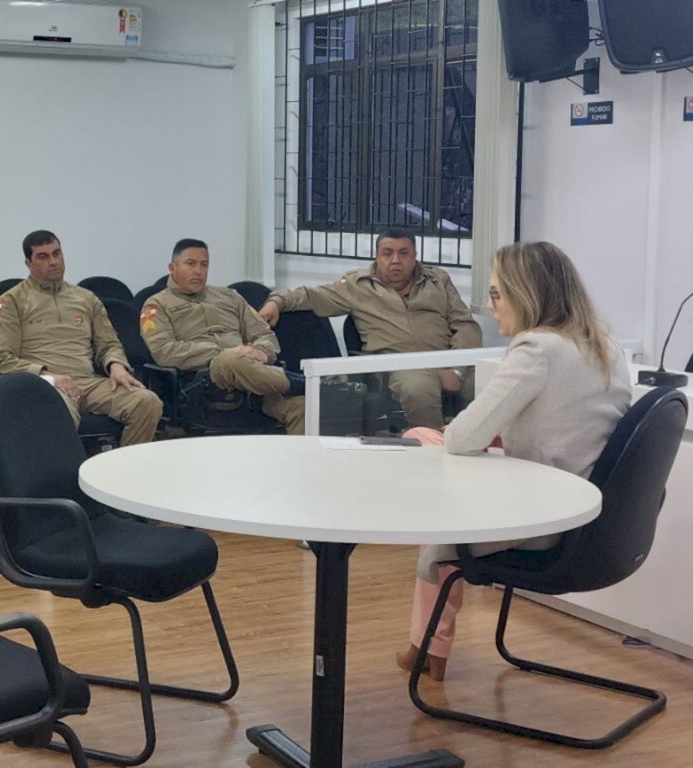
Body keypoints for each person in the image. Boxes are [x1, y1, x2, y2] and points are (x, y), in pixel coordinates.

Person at [396, 241, 631, 681]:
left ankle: (427, 648)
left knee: (420, 449)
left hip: (539, 523)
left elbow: (464, 436)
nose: (489, 305)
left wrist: (469, 437)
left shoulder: (536, 348)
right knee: (440, 459)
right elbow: (569, 425)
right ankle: (426, 647)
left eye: (497, 294)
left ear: (528, 295)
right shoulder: (607, 348)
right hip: (590, 519)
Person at [259, 228, 482, 429]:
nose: (395, 260)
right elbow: (309, 295)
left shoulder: (438, 281)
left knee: (490, 383)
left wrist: (456, 369)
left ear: (415, 257)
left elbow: (465, 325)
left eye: (404, 253)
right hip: (401, 366)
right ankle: (435, 451)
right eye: (387, 253)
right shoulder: (358, 285)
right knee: (419, 390)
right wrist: (276, 301)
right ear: (376, 257)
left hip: (449, 360)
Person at [0, 229, 162, 446]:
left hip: (87, 382)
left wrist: (116, 365)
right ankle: (65, 478)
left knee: (147, 402)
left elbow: (109, 343)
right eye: (43, 256)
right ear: (28, 264)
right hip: (45, 385)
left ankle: (126, 472)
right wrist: (48, 377)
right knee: (58, 412)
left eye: (57, 253)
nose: (53, 262)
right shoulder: (11, 301)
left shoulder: (86, 299)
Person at [140, 238, 305, 434]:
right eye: (190, 264)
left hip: (254, 382)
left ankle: (300, 460)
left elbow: (263, 333)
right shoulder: (156, 305)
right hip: (202, 386)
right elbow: (164, 352)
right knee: (227, 360)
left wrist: (262, 353)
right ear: (172, 267)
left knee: (303, 408)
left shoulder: (230, 297)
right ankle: (306, 383)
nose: (198, 271)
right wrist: (227, 352)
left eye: (204, 265)